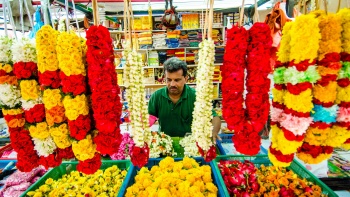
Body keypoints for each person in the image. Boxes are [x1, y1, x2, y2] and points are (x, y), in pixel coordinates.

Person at [148, 57, 222, 143]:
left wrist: (214, 132)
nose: (172, 84)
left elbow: (214, 117)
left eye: (177, 80)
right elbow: (149, 118)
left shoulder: (197, 96)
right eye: (169, 80)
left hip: (190, 144)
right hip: (164, 143)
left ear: (186, 78)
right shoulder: (156, 96)